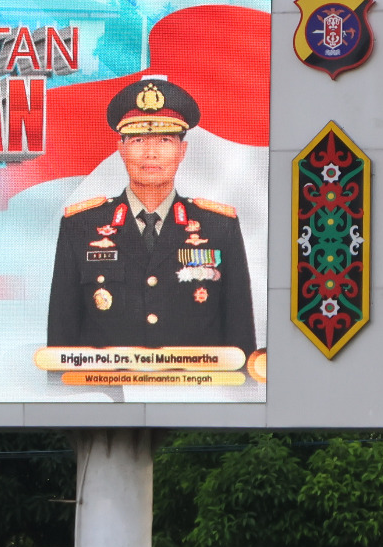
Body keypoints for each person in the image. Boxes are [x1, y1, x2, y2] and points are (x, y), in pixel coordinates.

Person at [43, 73, 257, 352]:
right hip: (108, 392)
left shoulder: (218, 227)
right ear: (120, 149)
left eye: (165, 141)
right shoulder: (81, 226)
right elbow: (62, 338)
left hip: (195, 391)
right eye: (138, 141)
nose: (151, 154)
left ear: (183, 150)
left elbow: (240, 339)